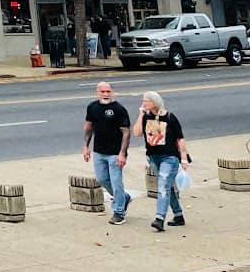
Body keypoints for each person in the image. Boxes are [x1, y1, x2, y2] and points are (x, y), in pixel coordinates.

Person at [134, 90, 191, 232]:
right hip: (153, 156)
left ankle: (159, 218)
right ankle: (178, 215)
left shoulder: (170, 117)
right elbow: (137, 132)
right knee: (167, 187)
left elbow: (180, 139)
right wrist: (141, 114)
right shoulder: (146, 117)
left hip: (169, 157)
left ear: (154, 102)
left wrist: (183, 159)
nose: (143, 103)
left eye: (146, 101)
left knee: (162, 186)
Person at [82, 81, 131, 224]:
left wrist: (123, 153)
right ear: (97, 92)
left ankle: (119, 212)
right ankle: (123, 198)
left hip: (115, 153)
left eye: (108, 91)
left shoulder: (119, 109)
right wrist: (86, 146)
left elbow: (126, 133)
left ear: (112, 92)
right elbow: (88, 127)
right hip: (99, 151)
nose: (105, 94)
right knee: (102, 179)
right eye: (102, 91)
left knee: (117, 182)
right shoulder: (92, 107)